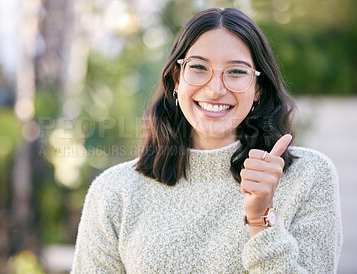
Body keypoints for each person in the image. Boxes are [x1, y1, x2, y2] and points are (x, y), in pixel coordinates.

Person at [71, 8, 342, 273]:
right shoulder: (115, 191)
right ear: (177, 80)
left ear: (258, 88)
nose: (215, 90)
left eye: (236, 72)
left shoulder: (309, 176)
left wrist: (261, 219)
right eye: (199, 67)